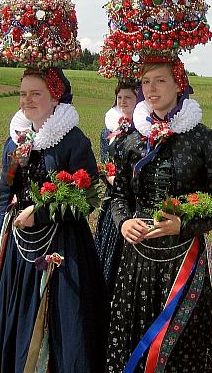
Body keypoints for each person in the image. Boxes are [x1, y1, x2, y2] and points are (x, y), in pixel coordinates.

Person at [0, 0, 107, 372]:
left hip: (64, 250)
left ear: (55, 96)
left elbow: (87, 198)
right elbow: (7, 194)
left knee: (64, 330)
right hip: (20, 251)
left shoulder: (74, 141)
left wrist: (43, 210)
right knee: (18, 329)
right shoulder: (15, 140)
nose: (27, 101)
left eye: (35, 93)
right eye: (22, 93)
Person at [105, 59, 212, 372]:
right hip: (138, 259)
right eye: (146, 82)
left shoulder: (204, 139)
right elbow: (118, 196)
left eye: (160, 81)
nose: (151, 89)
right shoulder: (130, 140)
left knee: (182, 345)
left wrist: (184, 224)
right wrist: (124, 222)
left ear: (179, 85)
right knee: (134, 336)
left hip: (184, 258)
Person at [95, 80, 138, 296]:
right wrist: (119, 183)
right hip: (116, 196)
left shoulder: (145, 130)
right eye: (120, 97)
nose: (123, 101)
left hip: (139, 197)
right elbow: (106, 166)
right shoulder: (108, 132)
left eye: (128, 98)